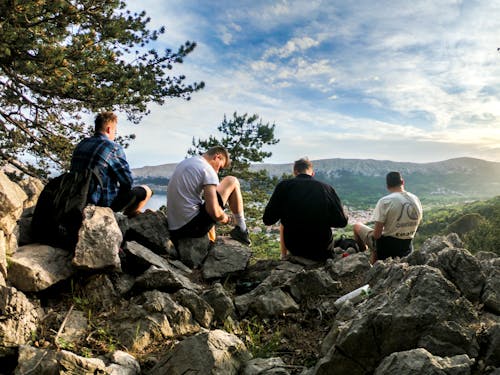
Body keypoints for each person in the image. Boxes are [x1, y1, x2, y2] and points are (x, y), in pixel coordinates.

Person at [263, 157, 348, 261]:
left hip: (295, 249)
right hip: (322, 250)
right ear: (312, 173)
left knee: (283, 224)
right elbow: (342, 222)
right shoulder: (326, 188)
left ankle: (284, 256)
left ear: (295, 172)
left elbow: (267, 219)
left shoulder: (283, 186)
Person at [70, 111, 152, 217]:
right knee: (146, 190)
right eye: (115, 132)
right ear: (109, 129)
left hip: (77, 199)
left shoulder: (81, 144)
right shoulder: (113, 148)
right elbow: (127, 182)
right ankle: (128, 220)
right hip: (101, 203)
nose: (115, 135)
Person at [166, 146, 251, 246]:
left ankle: (212, 240)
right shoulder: (207, 169)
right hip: (190, 228)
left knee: (207, 203)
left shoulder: (187, 162)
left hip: (173, 228)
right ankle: (242, 229)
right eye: (220, 167)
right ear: (217, 157)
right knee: (232, 181)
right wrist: (224, 217)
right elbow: (213, 212)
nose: (218, 171)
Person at [353, 171, 423, 264]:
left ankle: (362, 256)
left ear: (387, 186)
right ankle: (374, 257)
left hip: (387, 249)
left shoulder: (385, 201)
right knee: (378, 243)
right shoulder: (415, 199)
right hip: (407, 247)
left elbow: (376, 235)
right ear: (402, 182)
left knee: (356, 226)